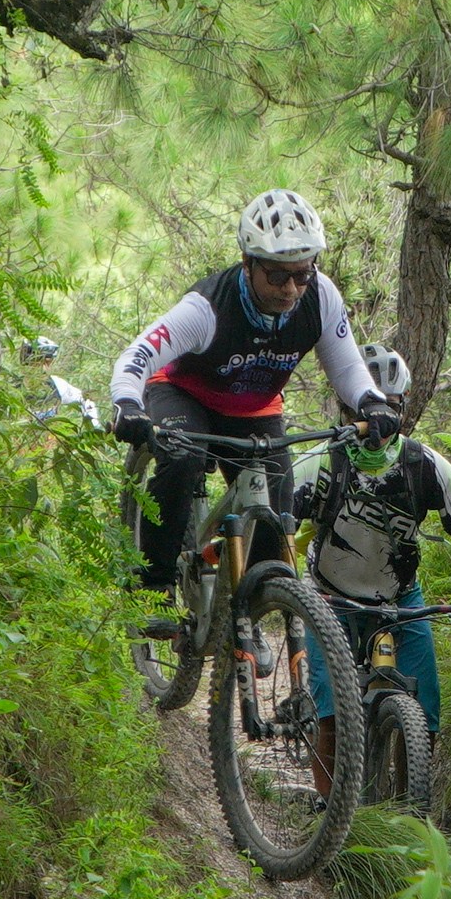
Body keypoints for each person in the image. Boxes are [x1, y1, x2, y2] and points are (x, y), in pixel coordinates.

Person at [106, 190, 402, 600]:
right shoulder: (207, 308)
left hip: (254, 408)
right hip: (183, 393)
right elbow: (139, 353)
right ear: (248, 264)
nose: (292, 289)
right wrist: (127, 403)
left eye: (302, 274)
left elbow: (348, 366)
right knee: (182, 458)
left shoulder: (321, 297)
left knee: (275, 526)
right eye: (278, 275)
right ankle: (153, 586)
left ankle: (252, 617)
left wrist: (372, 401)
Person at [290, 343, 451, 772]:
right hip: (329, 600)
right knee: (333, 717)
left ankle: (410, 809)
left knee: (426, 713)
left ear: (403, 410)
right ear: (346, 410)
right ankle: (331, 823)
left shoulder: (422, 464)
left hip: (402, 599)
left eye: (388, 411)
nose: (374, 426)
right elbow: (278, 517)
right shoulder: (322, 462)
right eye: (364, 412)